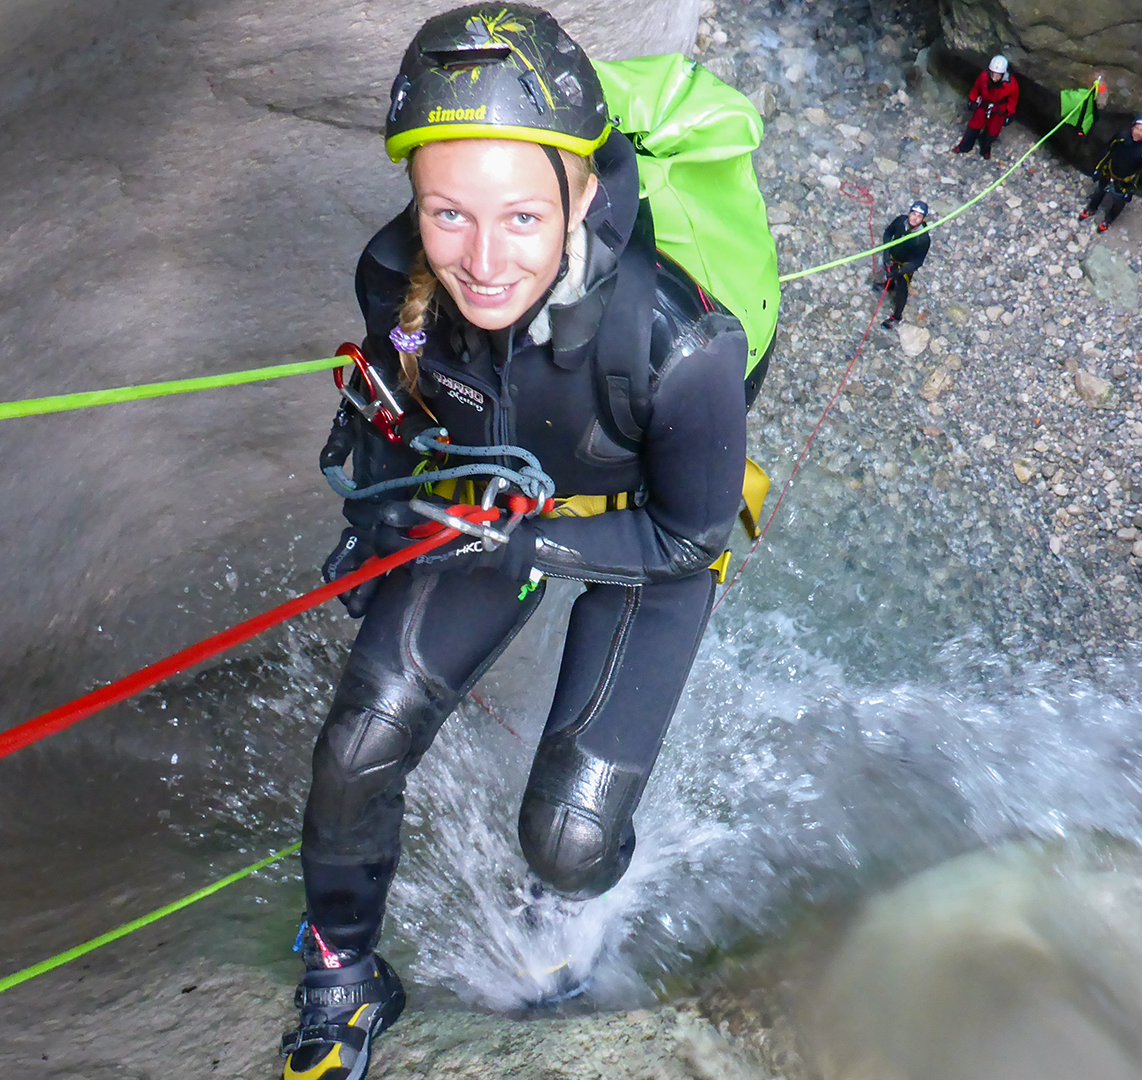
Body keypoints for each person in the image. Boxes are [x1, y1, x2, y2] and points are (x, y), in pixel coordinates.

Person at [290, 5, 749, 1077]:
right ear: (415, 201)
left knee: (571, 844)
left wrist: (531, 547)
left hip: (633, 542)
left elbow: (690, 539)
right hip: (495, 511)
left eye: (523, 218)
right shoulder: (398, 283)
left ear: (582, 196)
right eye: (448, 214)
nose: (484, 262)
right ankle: (342, 971)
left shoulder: (681, 346)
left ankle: (571, 896)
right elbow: (397, 418)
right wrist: (380, 515)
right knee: (356, 750)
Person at [1078, 114, 1142, 233]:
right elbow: (1108, 151)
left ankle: (1108, 220)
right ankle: (1091, 208)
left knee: (1119, 202)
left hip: (1125, 181)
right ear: (1132, 128)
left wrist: (1131, 190)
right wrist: (1098, 168)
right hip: (1110, 171)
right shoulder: (1121, 137)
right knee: (1100, 190)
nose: (1138, 133)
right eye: (1137, 128)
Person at [952, 55, 1018, 160]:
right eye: (993, 74)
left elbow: (1013, 99)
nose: (994, 78)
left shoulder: (1011, 84)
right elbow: (976, 88)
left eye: (997, 76)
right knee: (974, 124)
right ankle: (965, 146)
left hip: (999, 108)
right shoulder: (984, 77)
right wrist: (972, 100)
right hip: (985, 103)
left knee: (993, 130)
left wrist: (1010, 113)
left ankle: (985, 148)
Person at [878, 199, 931, 329]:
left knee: (902, 288)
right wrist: (886, 255)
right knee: (889, 273)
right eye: (913, 214)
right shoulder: (901, 221)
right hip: (893, 256)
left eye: (919, 216)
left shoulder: (923, 238)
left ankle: (897, 317)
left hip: (905, 266)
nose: (915, 218)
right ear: (909, 213)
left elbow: (917, 262)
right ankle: (889, 285)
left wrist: (900, 272)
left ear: (923, 220)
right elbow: (888, 233)